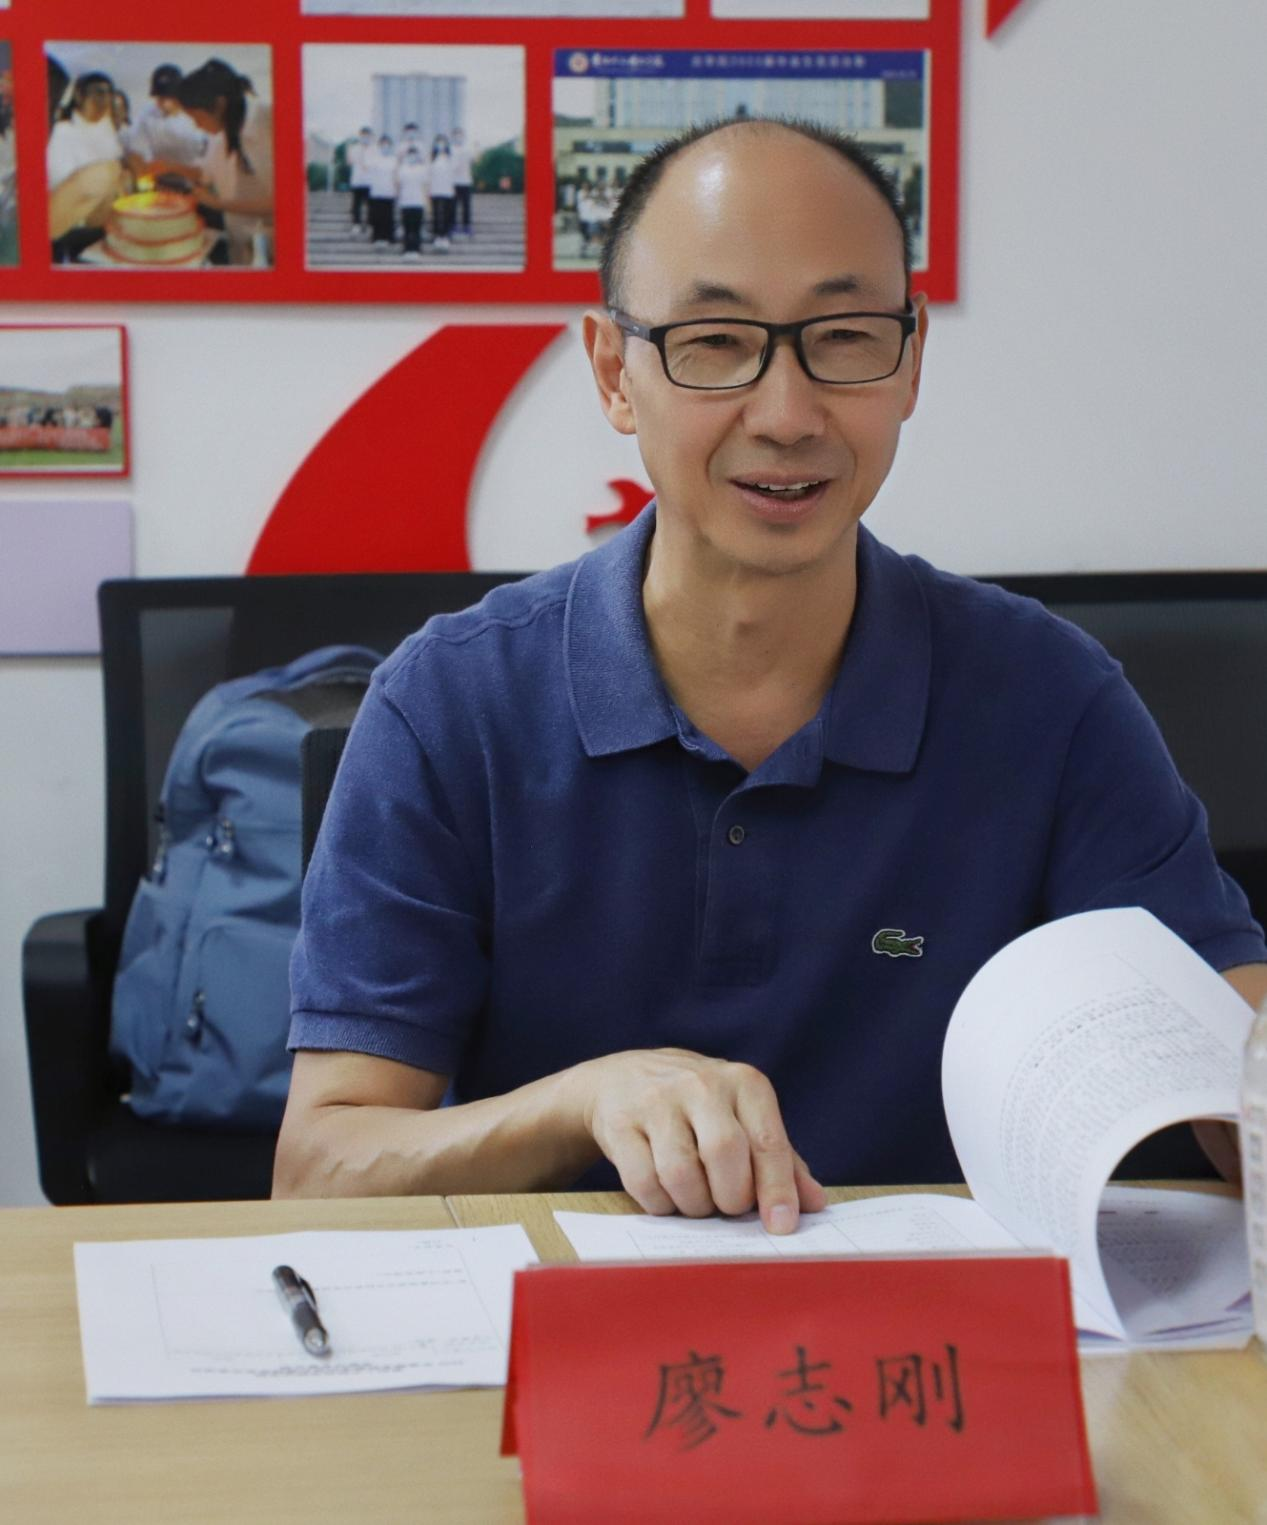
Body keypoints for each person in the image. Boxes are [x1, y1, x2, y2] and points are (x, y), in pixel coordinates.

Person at [275, 117, 1267, 1228]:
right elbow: (319, 1164)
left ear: (910, 363)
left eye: (843, 337)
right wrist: (582, 1102)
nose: (787, 415)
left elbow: (1237, 1063)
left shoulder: (1050, 698)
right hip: (565, 1327)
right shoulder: (449, 703)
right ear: (612, 372)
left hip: (943, 1323)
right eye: (713, 341)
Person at [176, 58, 274, 267]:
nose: (196, 126)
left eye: (197, 118)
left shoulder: (271, 122)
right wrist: (168, 167)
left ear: (220, 105)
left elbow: (284, 203)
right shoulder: (220, 134)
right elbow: (206, 173)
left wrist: (216, 203)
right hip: (239, 241)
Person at [46, 70, 126, 256]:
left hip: (102, 218)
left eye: (108, 93)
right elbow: (60, 183)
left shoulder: (106, 128)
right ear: (79, 96)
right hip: (69, 219)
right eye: (97, 92)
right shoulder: (62, 131)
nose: (103, 98)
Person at [122, 65, 206, 186]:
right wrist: (143, 178)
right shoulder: (147, 116)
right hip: (160, 180)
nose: (163, 103)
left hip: (196, 179)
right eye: (160, 97)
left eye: (168, 97)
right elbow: (136, 153)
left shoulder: (197, 113)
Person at [364, 133, 397, 249]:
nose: (385, 147)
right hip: (376, 192)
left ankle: (388, 238)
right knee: (377, 217)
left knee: (388, 217)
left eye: (387, 144)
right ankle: (377, 237)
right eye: (383, 144)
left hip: (389, 192)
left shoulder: (394, 160)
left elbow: (396, 176)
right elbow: (367, 169)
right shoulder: (374, 159)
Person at [397, 144, 428, 259]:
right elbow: (398, 185)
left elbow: (425, 186)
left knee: (416, 228)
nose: (412, 157)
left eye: (414, 154)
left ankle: (416, 249)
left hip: (418, 202)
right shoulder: (402, 169)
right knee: (407, 227)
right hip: (405, 203)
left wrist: (426, 202)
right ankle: (406, 249)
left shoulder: (422, 169)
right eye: (410, 154)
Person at [428, 133, 455, 250]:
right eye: (438, 142)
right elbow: (428, 175)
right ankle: (437, 236)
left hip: (447, 191)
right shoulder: (431, 159)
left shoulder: (450, 158)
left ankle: (445, 236)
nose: (440, 145)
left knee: (446, 214)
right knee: (436, 214)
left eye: (443, 142)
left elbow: (453, 175)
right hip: (435, 190)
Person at [347, 126, 374, 236]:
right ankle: (356, 224)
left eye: (367, 135)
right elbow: (349, 162)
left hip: (370, 181)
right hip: (357, 180)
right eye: (363, 135)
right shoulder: (354, 148)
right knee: (356, 204)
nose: (365, 137)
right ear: (360, 136)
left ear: (371, 136)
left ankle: (370, 224)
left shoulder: (375, 149)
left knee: (370, 205)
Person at [450, 127, 473, 236]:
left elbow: (472, 161)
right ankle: (453, 225)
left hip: (466, 181)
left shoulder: (468, 149)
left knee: (466, 205)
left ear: (463, 136)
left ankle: (466, 225)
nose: (458, 137)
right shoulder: (450, 149)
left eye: (460, 135)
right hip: (453, 182)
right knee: (453, 205)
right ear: (453, 137)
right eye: (456, 135)